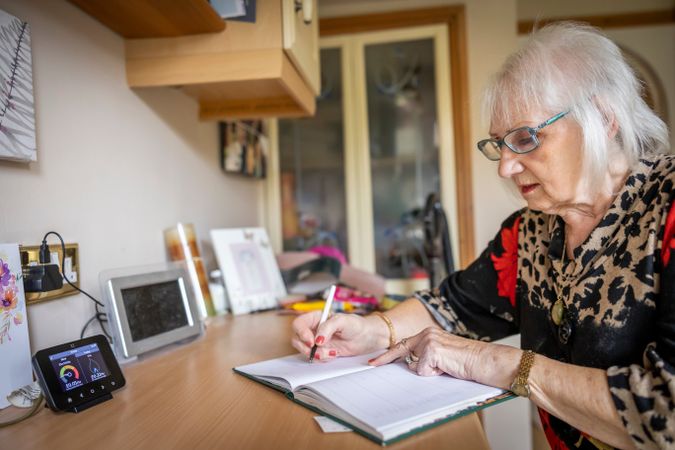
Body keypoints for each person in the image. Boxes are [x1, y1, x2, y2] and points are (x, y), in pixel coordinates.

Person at [291, 22, 674, 450]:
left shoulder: (668, 209)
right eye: (499, 145)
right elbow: (452, 306)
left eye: (526, 137)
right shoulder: (529, 231)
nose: (505, 167)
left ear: (603, 118)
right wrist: (371, 330)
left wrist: (490, 361)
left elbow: (667, 414)